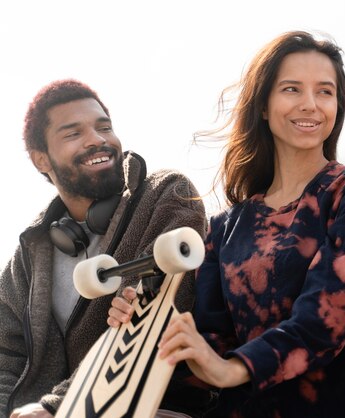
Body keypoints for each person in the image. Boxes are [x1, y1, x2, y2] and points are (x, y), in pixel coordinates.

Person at [109, 31, 345, 417]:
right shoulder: (225, 226)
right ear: (263, 105)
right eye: (292, 89)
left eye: (325, 92)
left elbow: (325, 322)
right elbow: (210, 349)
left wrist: (233, 367)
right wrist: (146, 329)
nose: (311, 105)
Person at [1, 79, 208, 417]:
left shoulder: (167, 194)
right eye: (73, 134)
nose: (97, 140)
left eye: (104, 127)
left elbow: (145, 323)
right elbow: (5, 357)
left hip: (153, 406)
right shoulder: (29, 256)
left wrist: (55, 406)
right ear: (41, 160)